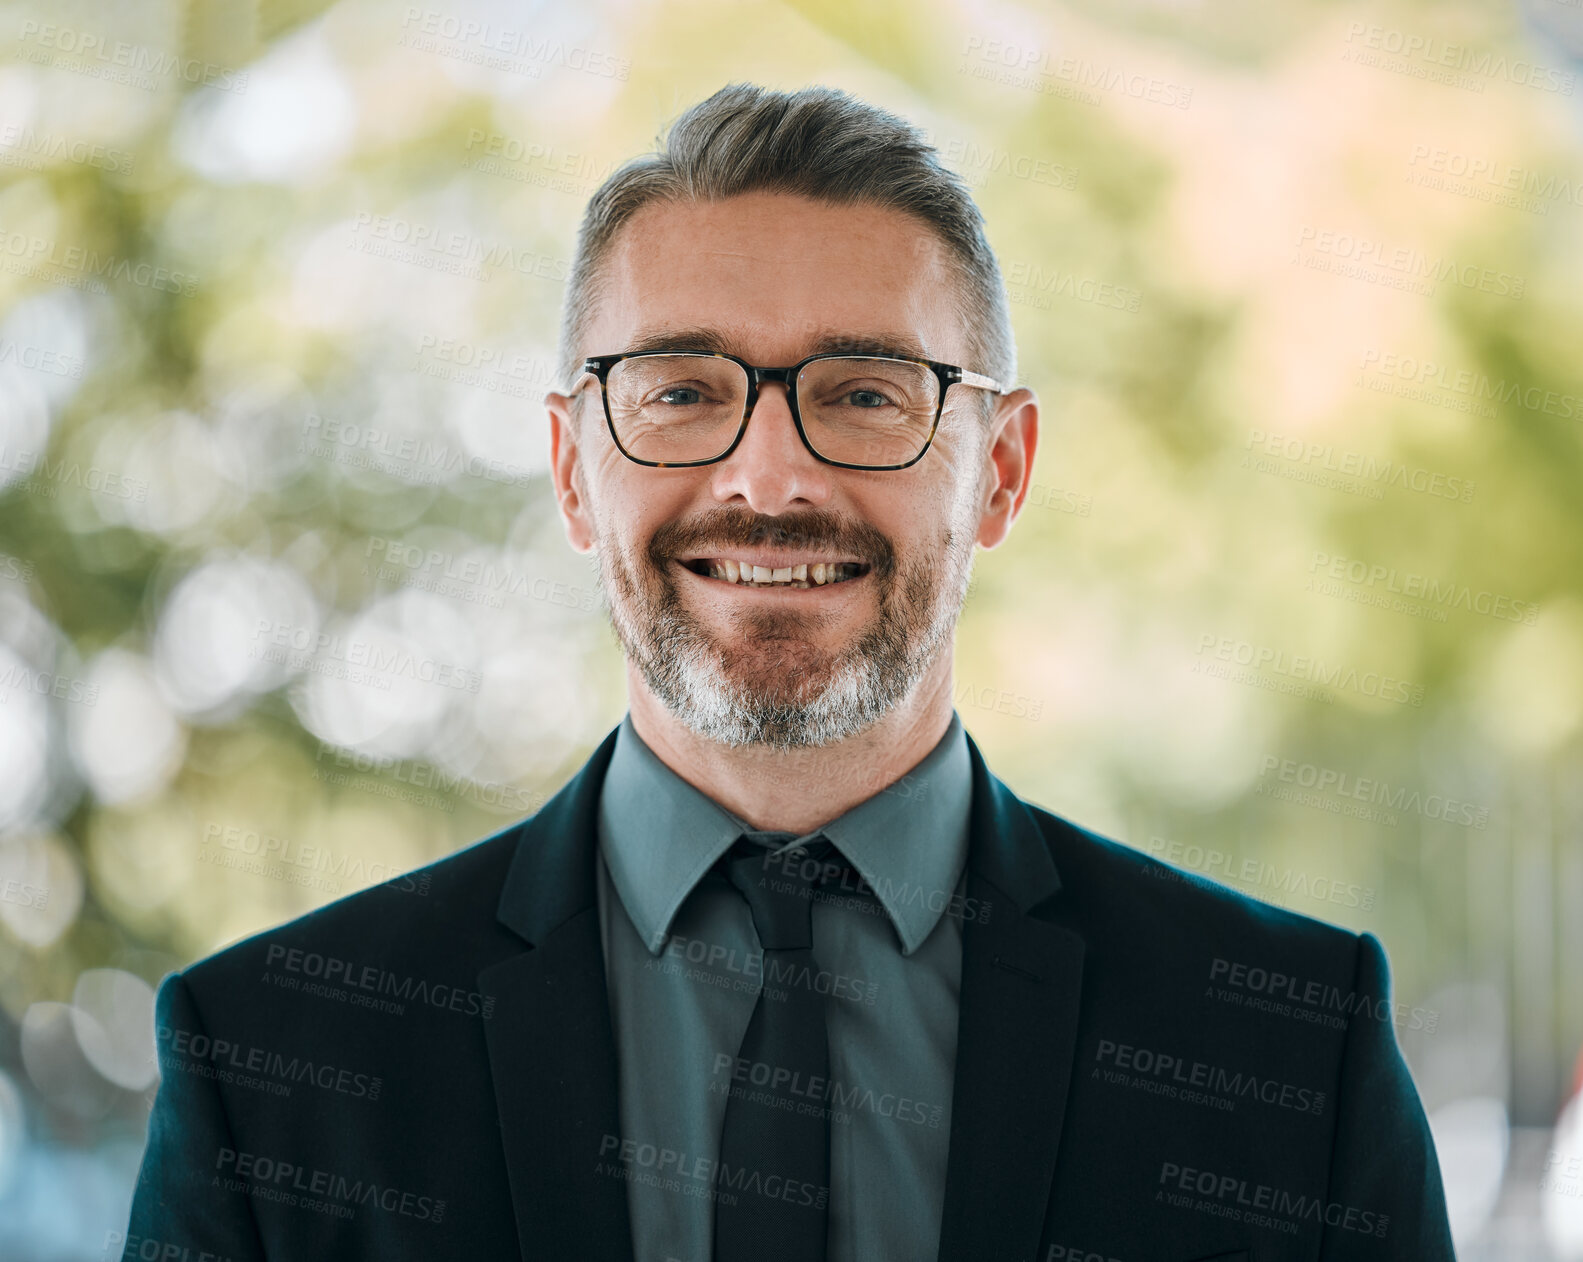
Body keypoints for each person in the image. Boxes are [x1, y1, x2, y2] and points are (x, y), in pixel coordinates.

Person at [125, 82, 1455, 1261]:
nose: (769, 476)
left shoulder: (1288, 1054)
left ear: (1001, 471)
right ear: (571, 467)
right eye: (683, 391)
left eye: (867, 392)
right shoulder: (272, 1066)